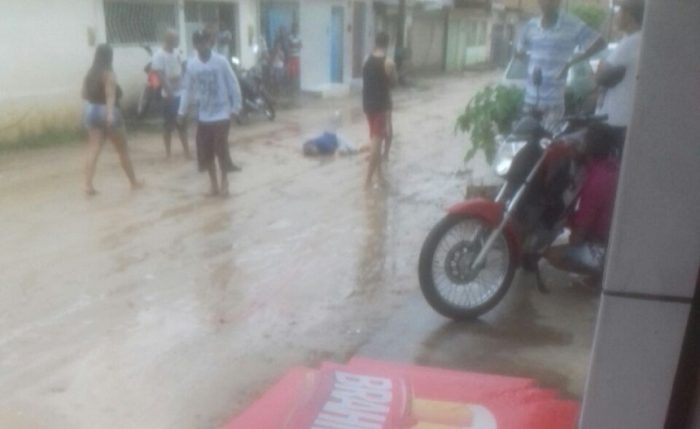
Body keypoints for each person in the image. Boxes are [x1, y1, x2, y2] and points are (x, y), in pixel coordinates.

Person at [544, 124, 620, 284]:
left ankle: (601, 275)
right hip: (615, 240)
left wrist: (571, 228)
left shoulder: (595, 180)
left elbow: (579, 234)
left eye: (581, 143)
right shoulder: (612, 167)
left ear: (588, 149)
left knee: (552, 255)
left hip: (607, 249)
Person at [516, 0, 606, 131]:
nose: (546, 3)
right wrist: (531, 65)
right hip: (530, 100)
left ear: (558, 2)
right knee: (527, 140)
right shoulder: (530, 26)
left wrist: (570, 63)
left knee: (549, 141)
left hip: (554, 102)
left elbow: (600, 43)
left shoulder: (572, 24)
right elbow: (519, 52)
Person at [178, 30, 242, 197]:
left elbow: (233, 83)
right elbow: (186, 89)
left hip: (222, 114)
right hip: (204, 116)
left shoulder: (221, 61)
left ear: (210, 43)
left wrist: (236, 107)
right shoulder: (192, 65)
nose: (202, 45)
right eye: (199, 42)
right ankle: (213, 185)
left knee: (221, 149)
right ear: (195, 45)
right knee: (206, 151)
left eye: (205, 41)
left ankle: (224, 182)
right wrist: (181, 111)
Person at [82, 44, 142, 196]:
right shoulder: (109, 74)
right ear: (110, 56)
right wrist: (109, 114)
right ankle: (133, 182)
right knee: (122, 150)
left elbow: (84, 94)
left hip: (92, 110)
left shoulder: (90, 74)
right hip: (107, 110)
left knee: (93, 149)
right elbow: (110, 96)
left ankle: (88, 185)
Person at [595, 0, 645, 146]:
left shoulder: (631, 42)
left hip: (615, 119)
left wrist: (600, 69)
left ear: (629, 16)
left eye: (619, 11)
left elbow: (599, 77)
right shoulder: (637, 40)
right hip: (623, 118)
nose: (616, 15)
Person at [362, 32, 397, 187]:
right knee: (377, 143)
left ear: (375, 43)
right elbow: (394, 83)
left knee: (374, 139)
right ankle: (367, 181)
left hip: (367, 104)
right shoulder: (388, 63)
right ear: (387, 44)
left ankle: (379, 176)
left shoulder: (366, 59)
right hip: (380, 106)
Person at [151, 29, 191, 158]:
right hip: (168, 95)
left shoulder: (178, 52)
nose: (178, 41)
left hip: (180, 92)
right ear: (169, 40)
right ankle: (168, 153)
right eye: (176, 39)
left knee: (182, 124)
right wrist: (170, 93)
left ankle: (187, 152)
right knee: (168, 126)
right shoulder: (159, 55)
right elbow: (161, 76)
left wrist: (183, 81)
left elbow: (184, 66)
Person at [286, 23, 302, 93]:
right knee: (292, 72)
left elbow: (301, 46)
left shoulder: (299, 37)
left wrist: (295, 45)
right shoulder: (290, 37)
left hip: (297, 56)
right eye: (294, 28)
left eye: (296, 28)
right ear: (292, 29)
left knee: (297, 72)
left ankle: (296, 87)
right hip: (291, 57)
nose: (295, 29)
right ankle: (292, 87)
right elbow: (289, 46)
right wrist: (296, 45)